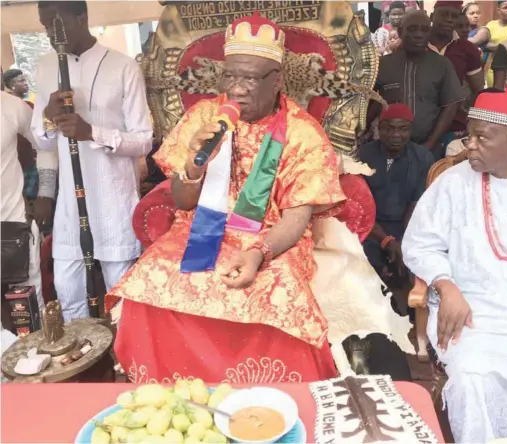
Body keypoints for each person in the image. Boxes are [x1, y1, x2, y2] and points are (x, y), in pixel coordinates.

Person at [105, 13, 346, 383]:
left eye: (250, 78)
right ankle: (172, 391)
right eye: (230, 76)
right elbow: (184, 202)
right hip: (199, 227)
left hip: (270, 238)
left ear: (277, 79)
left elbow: (297, 218)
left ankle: (276, 397)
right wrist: (193, 166)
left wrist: (258, 253)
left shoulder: (302, 133)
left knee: (278, 298)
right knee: (146, 288)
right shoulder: (204, 116)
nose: (236, 90)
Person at [402, 89, 507, 443]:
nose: (470, 146)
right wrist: (444, 285)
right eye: (470, 135)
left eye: (482, 137)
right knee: (471, 377)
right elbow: (420, 243)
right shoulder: (453, 182)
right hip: (470, 312)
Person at [32, 1, 152, 321]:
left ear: (81, 17)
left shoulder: (123, 66)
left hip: (114, 200)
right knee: (69, 296)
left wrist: (92, 132)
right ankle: (81, 367)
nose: (51, 36)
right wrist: (48, 117)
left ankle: (122, 366)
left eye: (57, 25)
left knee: (122, 304)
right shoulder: (45, 67)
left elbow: (144, 139)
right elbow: (41, 140)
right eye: (45, 27)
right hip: (71, 207)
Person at [373, 10, 463, 160]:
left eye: (424, 30)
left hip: (429, 147)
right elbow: (373, 102)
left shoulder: (442, 65)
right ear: (401, 32)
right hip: (387, 148)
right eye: (412, 29)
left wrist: (430, 143)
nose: (418, 34)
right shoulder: (383, 64)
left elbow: (450, 107)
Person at [359, 104, 434, 282]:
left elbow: (416, 206)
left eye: (403, 129)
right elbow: (359, 208)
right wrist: (386, 241)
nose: (395, 135)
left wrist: (403, 243)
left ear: (410, 130)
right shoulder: (363, 155)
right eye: (389, 128)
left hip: (407, 228)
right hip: (370, 228)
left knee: (412, 266)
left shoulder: (422, 157)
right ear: (379, 128)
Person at [1, 89, 43, 313]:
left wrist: (44, 192)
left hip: (14, 223)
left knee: (29, 308)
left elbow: (45, 144)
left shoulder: (11, 106)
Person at [429, 1, 484, 153]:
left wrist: (473, 125)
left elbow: (478, 92)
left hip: (454, 126)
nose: (449, 19)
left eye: (453, 16)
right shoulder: (417, 43)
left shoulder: (467, 49)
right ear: (432, 16)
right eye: (444, 14)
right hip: (419, 124)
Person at [486, 1, 507, 86]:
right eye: (505, 8)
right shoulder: (491, 25)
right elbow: (484, 45)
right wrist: (502, 47)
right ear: (498, 10)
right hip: (494, 69)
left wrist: (495, 46)